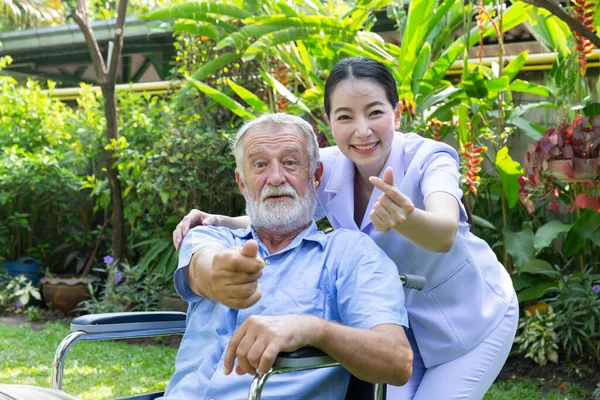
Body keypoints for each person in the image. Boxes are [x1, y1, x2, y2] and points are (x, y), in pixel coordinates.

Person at [173, 57, 519, 400]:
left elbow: (445, 233)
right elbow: (282, 202)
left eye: (375, 112)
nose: (362, 130)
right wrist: (219, 221)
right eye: (345, 117)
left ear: (397, 114)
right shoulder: (327, 164)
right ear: (329, 122)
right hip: (399, 323)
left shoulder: (430, 158)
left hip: (471, 317)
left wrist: (406, 218)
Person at [0, 113, 412, 400]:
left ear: (316, 176)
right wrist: (219, 274)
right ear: (242, 182)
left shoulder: (349, 254)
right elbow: (204, 266)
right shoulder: (212, 236)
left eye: (290, 163)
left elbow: (396, 361)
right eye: (259, 165)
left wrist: (312, 329)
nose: (275, 177)